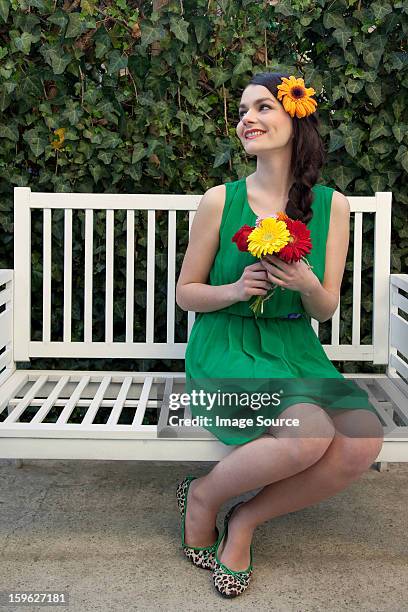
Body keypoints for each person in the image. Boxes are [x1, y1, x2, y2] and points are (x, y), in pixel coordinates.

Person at [175, 71, 384, 598]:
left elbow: (326, 307)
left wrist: (308, 282)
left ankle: (245, 519)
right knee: (309, 431)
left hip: (295, 346)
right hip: (226, 344)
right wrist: (235, 289)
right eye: (244, 110)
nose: (248, 119)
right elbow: (186, 293)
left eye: (264, 107)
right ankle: (202, 496)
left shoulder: (332, 205)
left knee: (363, 439)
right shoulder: (219, 201)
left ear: (297, 116)